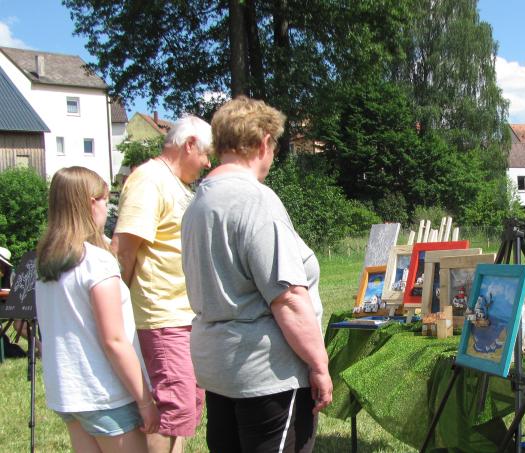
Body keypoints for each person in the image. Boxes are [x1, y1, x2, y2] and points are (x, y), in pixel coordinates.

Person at [181, 96, 332, 452]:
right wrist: (319, 365)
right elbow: (288, 298)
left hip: (220, 368)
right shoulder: (255, 200)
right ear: (264, 142)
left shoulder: (198, 203)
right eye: (274, 146)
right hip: (266, 374)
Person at [35, 167, 158, 452]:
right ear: (91, 203)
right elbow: (114, 340)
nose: (107, 206)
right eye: (105, 199)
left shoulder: (46, 264)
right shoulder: (96, 263)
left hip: (68, 393)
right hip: (105, 393)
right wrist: (145, 401)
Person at [112, 116, 212, 453]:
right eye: (206, 154)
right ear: (189, 145)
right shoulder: (148, 180)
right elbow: (123, 251)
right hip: (162, 315)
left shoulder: (176, 184)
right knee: (173, 408)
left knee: (186, 408)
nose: (208, 163)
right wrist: (121, 310)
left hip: (185, 315)